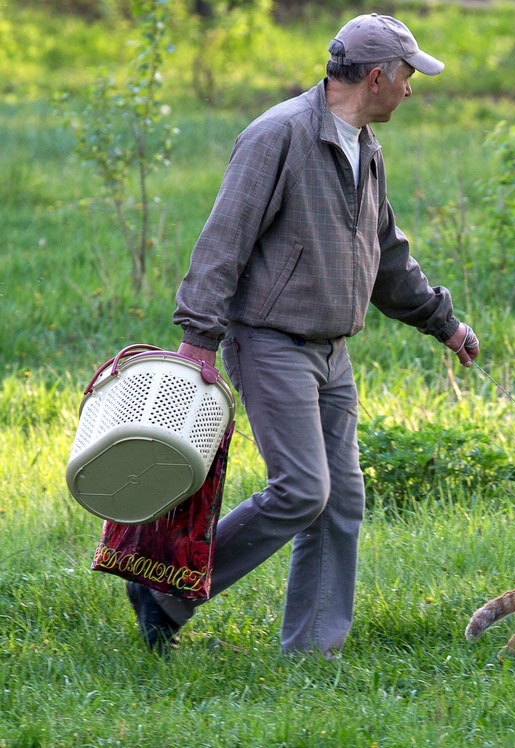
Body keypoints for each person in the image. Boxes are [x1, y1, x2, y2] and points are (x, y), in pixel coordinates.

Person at [125, 13, 480, 657]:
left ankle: (313, 653)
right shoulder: (278, 135)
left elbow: (387, 254)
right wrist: (198, 339)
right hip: (269, 342)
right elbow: (223, 238)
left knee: (341, 500)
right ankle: (165, 593)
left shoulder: (365, 145)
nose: (410, 89)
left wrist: (443, 322)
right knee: (301, 491)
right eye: (407, 77)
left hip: (331, 352)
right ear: (376, 77)